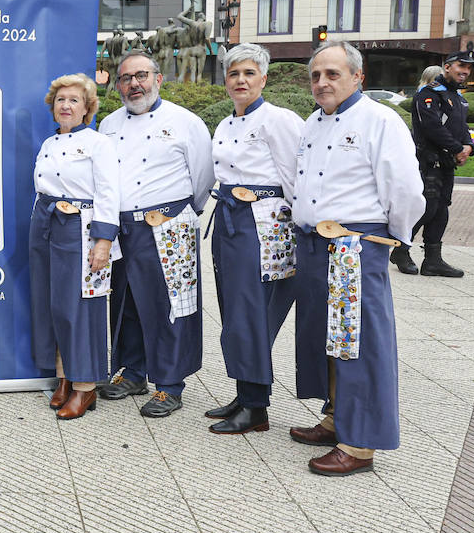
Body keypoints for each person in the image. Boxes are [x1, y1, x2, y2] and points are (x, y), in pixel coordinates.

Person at [289, 40, 424, 475]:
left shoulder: (380, 120)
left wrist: (389, 239)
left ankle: (360, 444)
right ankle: (336, 418)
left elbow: (404, 190)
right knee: (327, 339)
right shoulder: (313, 122)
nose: (323, 82)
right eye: (316, 75)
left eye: (333, 73)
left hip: (353, 246)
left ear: (358, 76)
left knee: (358, 343)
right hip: (314, 244)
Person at [96, 51, 214, 417]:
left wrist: (177, 215)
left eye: (142, 75)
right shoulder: (108, 125)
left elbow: (203, 178)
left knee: (171, 308)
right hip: (122, 227)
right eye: (126, 78)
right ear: (118, 86)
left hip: (167, 226)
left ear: (159, 79)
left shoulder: (186, 121)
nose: (135, 84)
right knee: (127, 304)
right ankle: (132, 373)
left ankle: (169, 385)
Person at [205, 43, 303, 434]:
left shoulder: (279, 120)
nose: (240, 80)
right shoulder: (226, 124)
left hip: (262, 224)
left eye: (249, 73)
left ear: (264, 78)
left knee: (253, 312)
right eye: (233, 74)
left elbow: (295, 176)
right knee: (232, 310)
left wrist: (303, 227)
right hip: (229, 218)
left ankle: (256, 406)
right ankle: (244, 389)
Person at [29, 73, 118, 420]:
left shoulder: (99, 144)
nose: (65, 105)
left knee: (80, 308)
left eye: (74, 100)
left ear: (87, 108)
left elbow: (110, 192)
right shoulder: (49, 143)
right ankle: (64, 378)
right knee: (53, 305)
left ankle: (86, 387)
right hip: (47, 224)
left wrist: (103, 240)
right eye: (60, 100)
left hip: (80, 229)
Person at [392, 50, 474, 277]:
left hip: (446, 163)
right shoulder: (429, 94)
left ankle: (433, 260)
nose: (465, 72)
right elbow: (432, 128)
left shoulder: (458, 98)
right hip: (427, 162)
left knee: (441, 211)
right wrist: (458, 148)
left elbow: (462, 127)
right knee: (425, 209)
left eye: (469, 68)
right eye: (461, 66)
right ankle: (400, 248)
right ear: (447, 67)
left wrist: (469, 146)